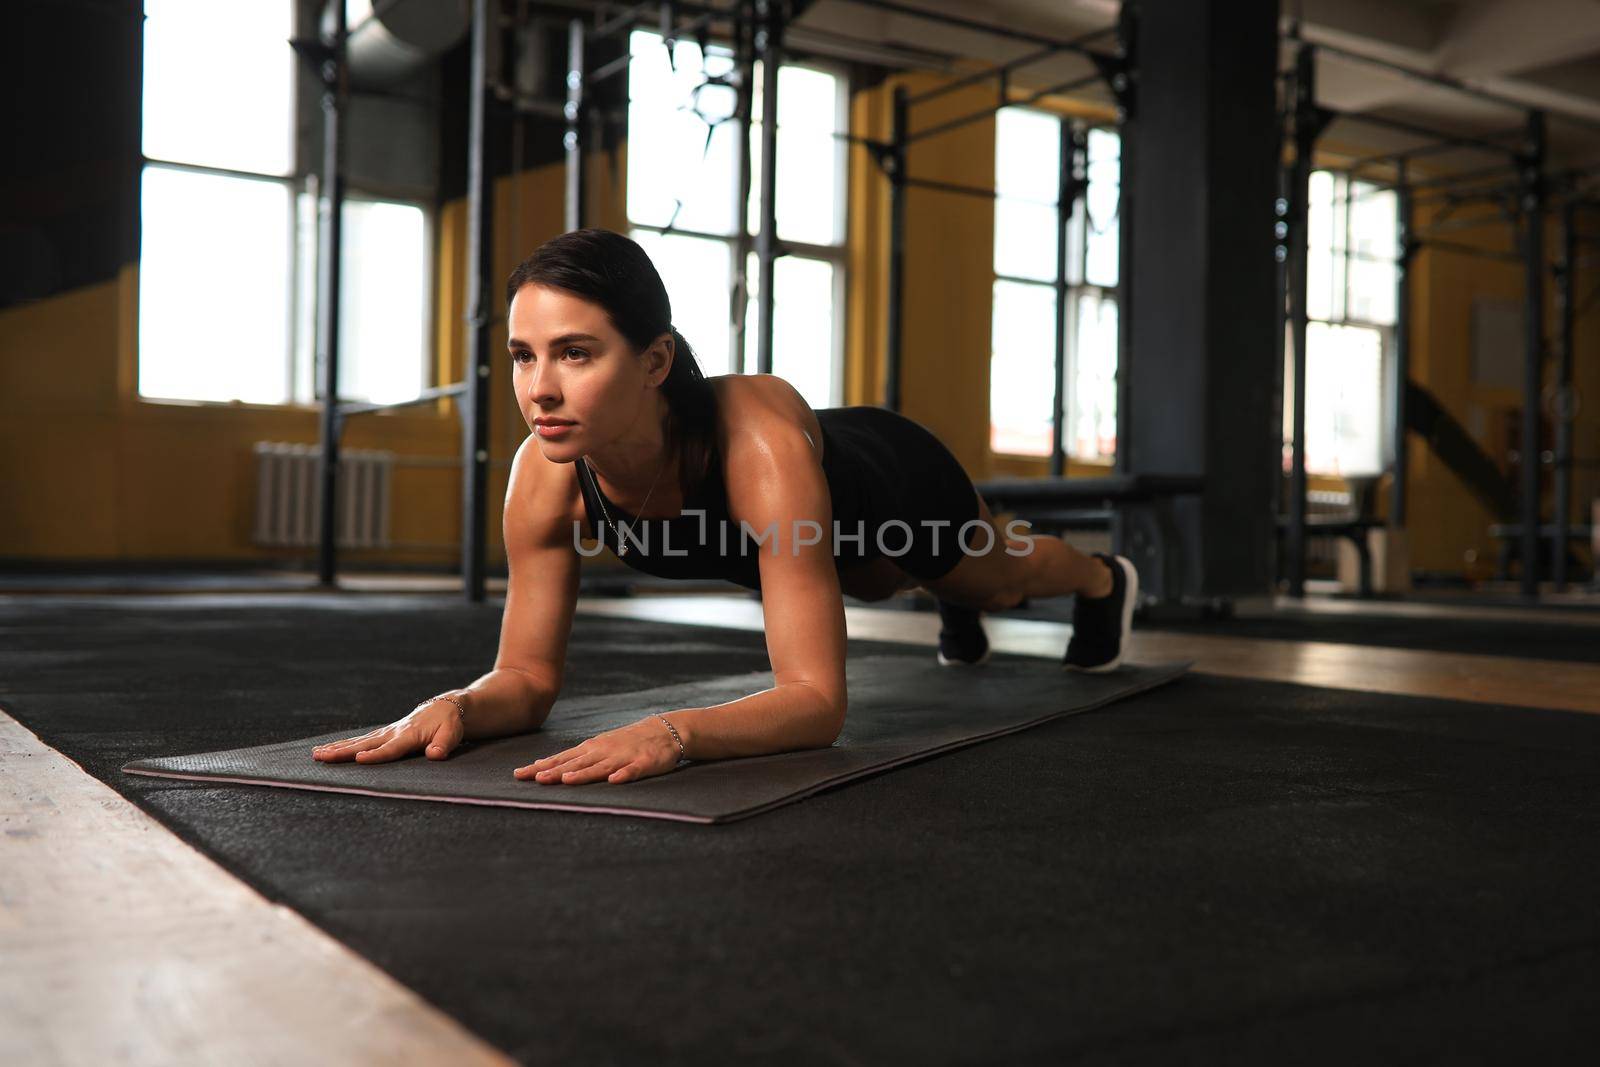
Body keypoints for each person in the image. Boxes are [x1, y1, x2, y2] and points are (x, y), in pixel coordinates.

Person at [311, 229, 1138, 785]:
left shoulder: (758, 448)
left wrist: (676, 732)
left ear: (655, 360)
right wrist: (457, 703)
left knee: (989, 574)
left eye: (576, 352)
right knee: (880, 584)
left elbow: (818, 703)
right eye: (524, 356)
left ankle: (1101, 579)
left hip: (890, 483)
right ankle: (942, 597)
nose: (540, 388)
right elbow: (526, 678)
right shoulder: (546, 474)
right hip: (830, 549)